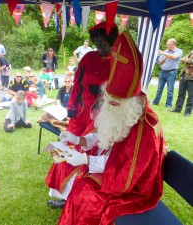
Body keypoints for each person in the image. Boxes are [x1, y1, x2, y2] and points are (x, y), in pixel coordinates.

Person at [57, 31, 166, 225]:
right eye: (110, 100)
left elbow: (128, 172)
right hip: (109, 169)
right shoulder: (120, 111)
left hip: (132, 186)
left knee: (85, 193)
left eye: (116, 103)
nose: (111, 105)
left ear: (131, 101)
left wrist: (86, 158)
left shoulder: (146, 128)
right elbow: (104, 135)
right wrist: (79, 140)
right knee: (71, 170)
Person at [45, 22, 119, 209]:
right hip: (81, 112)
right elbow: (77, 82)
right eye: (96, 42)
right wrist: (71, 107)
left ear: (112, 41)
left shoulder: (118, 61)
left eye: (102, 43)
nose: (99, 47)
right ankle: (61, 193)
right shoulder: (88, 57)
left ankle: (74, 196)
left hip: (101, 117)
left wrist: (103, 91)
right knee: (65, 150)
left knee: (83, 155)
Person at [152, 38, 183, 108]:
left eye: (167, 45)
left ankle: (168, 104)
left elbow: (174, 57)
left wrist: (163, 53)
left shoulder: (179, 51)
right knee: (159, 88)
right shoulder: (166, 51)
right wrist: (164, 58)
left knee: (170, 90)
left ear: (173, 44)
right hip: (163, 72)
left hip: (171, 73)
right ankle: (156, 102)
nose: (166, 46)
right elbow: (160, 62)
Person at [169, 50, 193, 117]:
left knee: (191, 96)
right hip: (184, 74)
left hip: (191, 77)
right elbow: (183, 59)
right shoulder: (191, 51)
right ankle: (178, 108)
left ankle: (188, 112)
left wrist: (187, 60)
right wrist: (186, 60)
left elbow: (187, 60)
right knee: (181, 93)